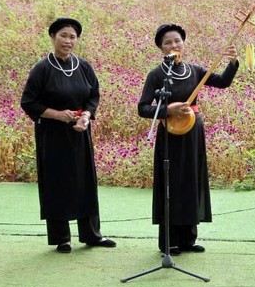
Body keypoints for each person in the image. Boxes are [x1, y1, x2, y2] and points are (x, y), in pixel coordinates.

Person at [137, 24, 238, 255]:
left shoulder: (194, 70)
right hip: (170, 134)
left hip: (193, 132)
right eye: (168, 43)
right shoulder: (157, 75)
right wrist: (168, 109)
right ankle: (169, 241)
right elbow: (143, 108)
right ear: (161, 48)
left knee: (191, 181)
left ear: (183, 42)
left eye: (177, 41)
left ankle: (188, 239)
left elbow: (223, 82)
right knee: (172, 183)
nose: (174, 45)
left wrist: (232, 63)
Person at [20, 17, 117, 253]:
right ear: (53, 37)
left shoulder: (83, 66)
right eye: (63, 35)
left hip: (79, 132)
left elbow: (93, 96)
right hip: (51, 135)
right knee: (57, 182)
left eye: (73, 37)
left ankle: (92, 235)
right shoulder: (42, 68)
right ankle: (61, 238)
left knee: (86, 181)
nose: (68, 40)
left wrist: (86, 117)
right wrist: (56, 114)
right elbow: (28, 102)